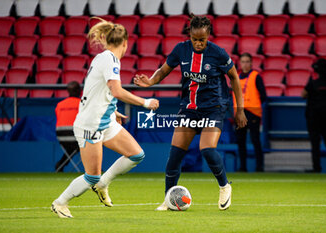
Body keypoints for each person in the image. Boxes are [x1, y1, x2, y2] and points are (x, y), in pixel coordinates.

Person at [134, 15, 247, 211]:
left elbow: (235, 78)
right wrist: (151, 81)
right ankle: (168, 200)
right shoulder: (181, 49)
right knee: (175, 155)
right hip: (189, 109)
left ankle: (224, 186)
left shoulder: (218, 54)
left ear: (208, 36)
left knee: (207, 149)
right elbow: (163, 70)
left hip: (214, 108)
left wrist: (240, 110)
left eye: (202, 39)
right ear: (190, 36)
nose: (198, 43)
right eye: (195, 39)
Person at [51, 18, 159, 218]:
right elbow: (116, 90)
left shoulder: (105, 58)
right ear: (126, 43)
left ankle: (103, 183)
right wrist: (145, 102)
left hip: (105, 119)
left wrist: (112, 110)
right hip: (91, 125)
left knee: (136, 155)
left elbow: (99, 91)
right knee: (91, 176)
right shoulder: (109, 59)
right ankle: (60, 203)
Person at [301, 58, 326, 173]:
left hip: (314, 116)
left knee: (315, 143)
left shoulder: (312, 83)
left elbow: (303, 95)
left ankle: (316, 168)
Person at [233, 53, 267, 172]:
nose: (245, 64)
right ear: (240, 63)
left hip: (253, 112)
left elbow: (263, 95)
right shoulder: (235, 76)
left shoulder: (256, 76)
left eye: (247, 61)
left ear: (251, 63)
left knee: (255, 140)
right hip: (239, 113)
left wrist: (253, 105)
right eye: (243, 61)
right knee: (240, 141)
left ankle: (259, 166)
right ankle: (242, 167)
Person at [55, 81, 81, 172]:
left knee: (71, 148)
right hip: (76, 137)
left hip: (62, 139)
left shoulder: (59, 105)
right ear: (79, 91)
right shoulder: (82, 104)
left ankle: (60, 164)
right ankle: (95, 168)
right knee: (92, 142)